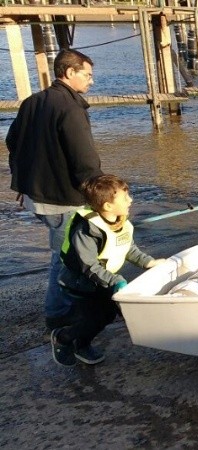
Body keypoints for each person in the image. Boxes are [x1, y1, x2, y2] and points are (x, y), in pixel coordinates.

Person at [5, 49, 103, 332]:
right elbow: (85, 158)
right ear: (70, 72)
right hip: (63, 199)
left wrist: (23, 182)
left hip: (37, 195)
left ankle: (74, 303)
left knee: (70, 251)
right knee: (66, 257)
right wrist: (101, 196)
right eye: (87, 75)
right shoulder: (71, 108)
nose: (91, 81)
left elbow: (13, 142)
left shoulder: (32, 102)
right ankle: (59, 313)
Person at [50, 174, 166, 366]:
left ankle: (81, 342)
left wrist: (149, 262)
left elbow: (128, 248)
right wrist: (115, 281)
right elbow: (89, 265)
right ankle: (63, 338)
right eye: (125, 197)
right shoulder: (87, 230)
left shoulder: (121, 222)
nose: (131, 200)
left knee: (107, 315)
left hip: (102, 280)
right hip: (80, 284)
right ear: (107, 206)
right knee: (94, 319)